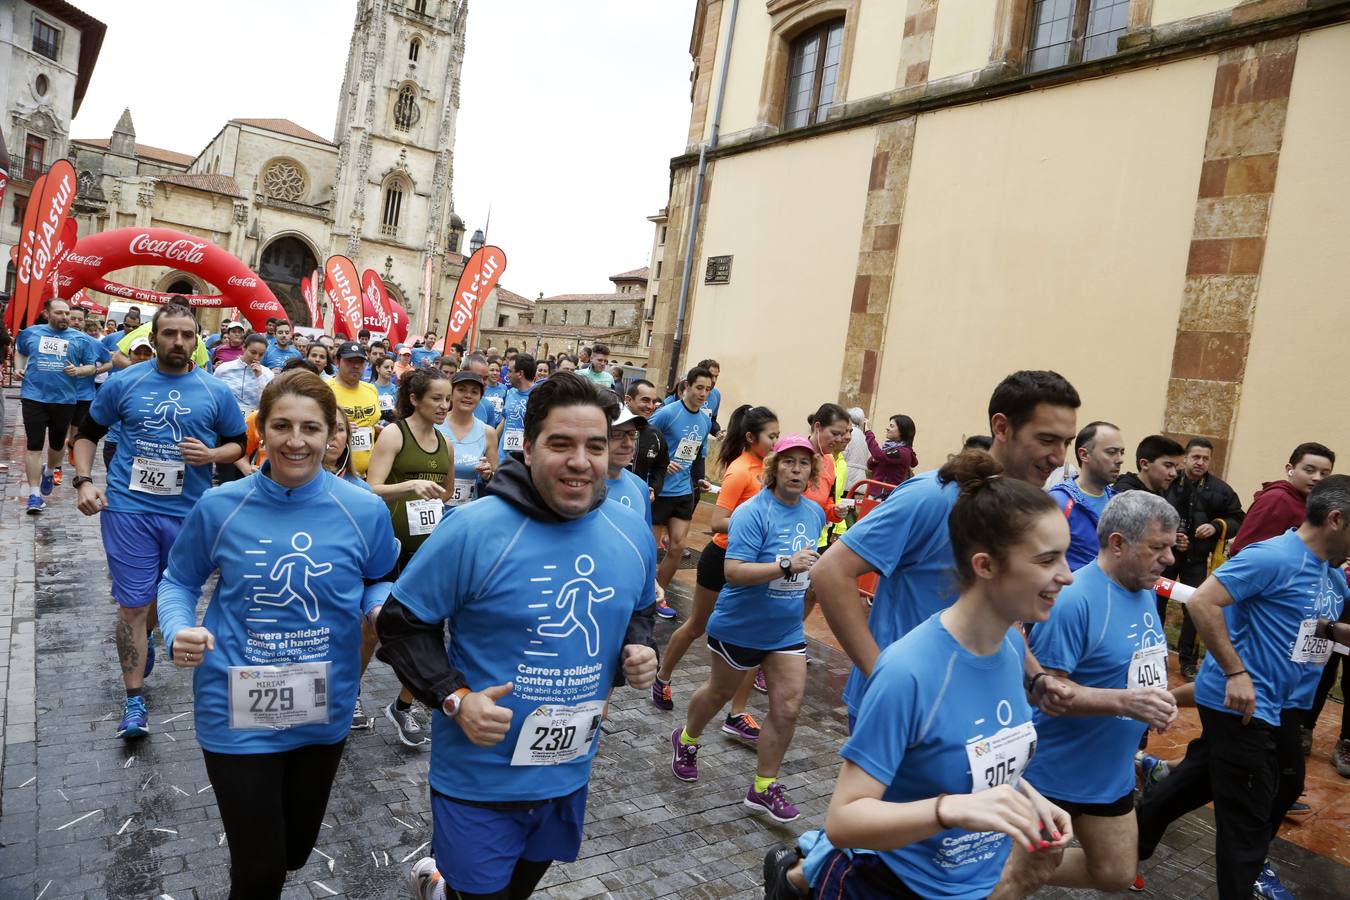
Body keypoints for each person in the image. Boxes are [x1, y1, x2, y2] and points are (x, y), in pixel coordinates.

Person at [375, 373, 659, 900]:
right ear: (526, 448)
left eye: (594, 446)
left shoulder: (631, 529)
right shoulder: (473, 528)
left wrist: (640, 649)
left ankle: (440, 887)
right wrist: (454, 698)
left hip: (568, 769)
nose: (581, 461)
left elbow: (640, 609)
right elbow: (399, 624)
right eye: (560, 444)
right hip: (479, 780)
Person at [764, 449, 1074, 899]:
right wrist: (950, 810)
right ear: (984, 565)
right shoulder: (908, 671)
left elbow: (974, 752)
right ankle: (798, 876)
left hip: (965, 886)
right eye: (1047, 560)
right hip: (884, 884)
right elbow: (845, 820)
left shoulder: (1010, 647)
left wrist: (1032, 800)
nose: (1066, 576)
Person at [155, 369, 397, 898]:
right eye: (281, 426)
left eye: (310, 428)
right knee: (259, 867)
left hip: (322, 706)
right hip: (234, 706)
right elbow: (178, 580)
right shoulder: (221, 506)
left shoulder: (363, 510)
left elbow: (379, 577)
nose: (295, 440)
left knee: (294, 852)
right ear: (260, 429)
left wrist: (379, 612)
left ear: (333, 434)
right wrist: (177, 629)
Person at [811, 370, 1081, 731]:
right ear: (1001, 427)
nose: (1057, 456)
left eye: (1066, 442)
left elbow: (997, 611)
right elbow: (831, 572)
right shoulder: (932, 496)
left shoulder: (1023, 508)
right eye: (1047, 439)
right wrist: (883, 678)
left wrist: (1035, 678)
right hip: (904, 713)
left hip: (969, 706)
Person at [1135, 476, 1350, 900]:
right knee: (1247, 814)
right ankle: (1246, 876)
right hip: (1242, 702)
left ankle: (1133, 837)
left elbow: (1312, 623)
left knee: (1229, 781)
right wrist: (1236, 673)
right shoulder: (1272, 557)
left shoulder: (1332, 574)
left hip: (1284, 703)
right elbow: (1202, 601)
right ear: (1337, 520)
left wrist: (1337, 631)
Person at [72, 303, 247, 739]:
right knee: (133, 602)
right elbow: (88, 434)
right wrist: (83, 482)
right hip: (129, 509)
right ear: (155, 336)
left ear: (197, 338)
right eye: (169, 334)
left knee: (162, 597)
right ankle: (134, 701)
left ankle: (145, 634)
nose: (178, 343)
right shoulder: (125, 382)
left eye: (187, 335)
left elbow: (239, 445)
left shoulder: (214, 391)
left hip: (189, 514)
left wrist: (210, 455)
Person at [998, 491, 1181, 895]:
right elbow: (1047, 693)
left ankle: (992, 866)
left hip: (1110, 775)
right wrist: (1126, 703)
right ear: (1118, 543)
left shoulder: (1144, 588)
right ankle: (983, 872)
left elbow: (1131, 670)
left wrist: (1157, 702)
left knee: (1115, 873)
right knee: (1018, 880)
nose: (1168, 558)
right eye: (1157, 547)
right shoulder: (1074, 600)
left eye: (1170, 546)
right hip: (1054, 777)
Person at [671, 434, 823, 825]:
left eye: (803, 464)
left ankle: (763, 787)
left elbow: (811, 567)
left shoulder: (814, 513)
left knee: (787, 708)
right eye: (788, 462)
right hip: (740, 625)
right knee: (719, 693)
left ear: (812, 471)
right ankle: (686, 739)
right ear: (774, 468)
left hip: (786, 630)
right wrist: (786, 565)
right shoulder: (753, 512)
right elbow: (733, 573)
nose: (796, 470)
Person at [652, 405, 778, 740]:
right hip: (721, 557)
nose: (776, 442)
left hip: (751, 563)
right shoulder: (740, 471)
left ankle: (737, 712)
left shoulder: (768, 469)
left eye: (778, 435)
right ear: (752, 437)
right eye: (771, 436)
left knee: (751, 636)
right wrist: (755, 523)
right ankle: (662, 676)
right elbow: (719, 522)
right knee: (697, 626)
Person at [365, 367, 454, 745]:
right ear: (415, 399)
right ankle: (350, 696)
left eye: (447, 399)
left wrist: (434, 495)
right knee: (373, 628)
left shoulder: (445, 444)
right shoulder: (393, 434)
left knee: (428, 633)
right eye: (436, 398)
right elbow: (372, 488)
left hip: (426, 551)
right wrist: (410, 485)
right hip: (389, 549)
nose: (444, 406)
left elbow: (447, 493)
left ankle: (404, 706)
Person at [1166, 437, 1246, 678]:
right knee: (1154, 602)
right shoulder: (1169, 482)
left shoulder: (1221, 490)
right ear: (1185, 458)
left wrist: (1216, 526)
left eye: (1206, 458)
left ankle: (1188, 662)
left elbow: (1238, 518)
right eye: (1196, 457)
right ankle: (1153, 651)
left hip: (1197, 559)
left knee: (1195, 609)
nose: (1200, 462)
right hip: (1164, 556)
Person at [15, 297, 103, 512]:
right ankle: (34, 495)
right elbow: (20, 350)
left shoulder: (80, 339)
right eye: (60, 313)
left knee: (57, 444)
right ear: (47, 314)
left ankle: (50, 469)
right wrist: (19, 368)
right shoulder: (32, 333)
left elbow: (91, 367)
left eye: (67, 313)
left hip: (64, 399)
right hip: (34, 396)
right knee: (34, 444)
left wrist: (78, 371)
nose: (65, 317)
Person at [647, 366, 715, 596]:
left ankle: (660, 594)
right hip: (660, 490)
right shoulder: (668, 413)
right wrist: (661, 464)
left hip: (683, 491)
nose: (703, 393)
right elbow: (646, 440)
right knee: (650, 550)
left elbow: (697, 455)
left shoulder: (705, 421)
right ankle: (644, 593)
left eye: (708, 389)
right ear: (686, 386)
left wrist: (699, 479)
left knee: (677, 547)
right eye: (699, 388)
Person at [1047, 421, 1125, 571]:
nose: (1120, 459)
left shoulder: (1118, 503)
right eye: (1111, 452)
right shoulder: (1059, 502)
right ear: (1084, 455)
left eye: (1122, 452)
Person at [62, 307, 114, 470]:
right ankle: (56, 465)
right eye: (73, 318)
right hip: (61, 393)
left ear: (84, 322)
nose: (76, 322)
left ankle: (72, 448)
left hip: (84, 394)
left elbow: (109, 362)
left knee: (76, 429)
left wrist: (95, 371)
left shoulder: (92, 342)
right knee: (61, 428)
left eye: (80, 319)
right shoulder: (58, 340)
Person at [437, 369, 498, 508]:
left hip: (466, 513)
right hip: (431, 511)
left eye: (474, 392)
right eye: (461, 390)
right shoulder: (434, 425)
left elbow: (496, 480)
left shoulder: (488, 432)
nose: (468, 395)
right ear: (451, 394)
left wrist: (488, 475)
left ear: (480, 397)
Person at [328, 341, 382, 477]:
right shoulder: (324, 389)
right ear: (337, 361)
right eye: (350, 361)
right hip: (335, 471)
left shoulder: (371, 389)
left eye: (360, 362)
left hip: (367, 473)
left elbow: (372, 424)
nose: (356, 366)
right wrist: (339, 429)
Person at [804, 403, 851, 548]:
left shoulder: (830, 461)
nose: (839, 439)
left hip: (815, 541)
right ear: (817, 427)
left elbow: (827, 501)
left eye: (842, 435)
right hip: (785, 540)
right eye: (835, 433)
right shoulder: (796, 456)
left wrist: (835, 511)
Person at [627, 379, 667, 498]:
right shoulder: (610, 426)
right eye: (645, 400)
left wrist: (654, 487)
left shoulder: (655, 435)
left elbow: (661, 466)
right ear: (628, 400)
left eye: (653, 401)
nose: (650, 406)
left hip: (637, 500)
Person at [497, 352, 537, 463]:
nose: (507, 375)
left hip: (524, 460)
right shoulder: (510, 392)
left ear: (520, 374)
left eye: (510, 371)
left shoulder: (539, 395)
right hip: (503, 458)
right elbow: (505, 420)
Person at [1114, 434, 1185, 496]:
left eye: (1175, 467)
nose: (1174, 474)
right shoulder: (1124, 496)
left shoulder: (1163, 492)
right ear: (1145, 464)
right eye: (1168, 465)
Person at [863, 413, 917, 492]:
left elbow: (878, 456)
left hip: (884, 496)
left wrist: (868, 432)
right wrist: (877, 458)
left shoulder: (903, 452)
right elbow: (870, 464)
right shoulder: (889, 447)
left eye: (891, 426)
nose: (887, 428)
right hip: (874, 493)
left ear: (902, 431)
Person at [696, 358, 723, 437]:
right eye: (711, 376)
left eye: (716, 376)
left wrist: (718, 432)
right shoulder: (687, 390)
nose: (714, 380)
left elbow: (711, 420)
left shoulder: (716, 395)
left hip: (701, 444)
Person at [372, 355, 399, 422]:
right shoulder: (370, 388)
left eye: (392, 368)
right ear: (378, 368)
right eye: (386, 367)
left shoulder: (396, 389)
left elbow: (401, 414)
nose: (390, 370)